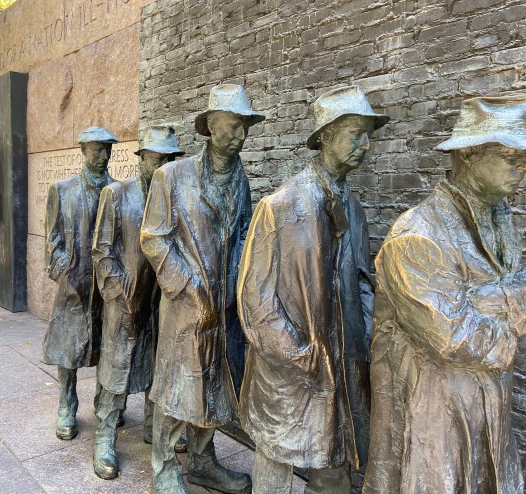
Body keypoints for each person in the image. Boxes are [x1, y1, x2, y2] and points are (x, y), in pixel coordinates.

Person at [363, 94, 526, 494]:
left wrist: (481, 300)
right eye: (511, 155)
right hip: (434, 414)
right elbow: (453, 337)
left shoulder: (500, 220)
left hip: (487, 404)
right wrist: (505, 309)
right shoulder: (417, 235)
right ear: (467, 154)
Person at [238, 86, 388, 494]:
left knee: (333, 456)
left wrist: (365, 338)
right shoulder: (281, 206)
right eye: (356, 134)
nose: (365, 145)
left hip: (342, 363)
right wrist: (297, 354)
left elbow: (363, 281)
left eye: (368, 136)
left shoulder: (353, 208)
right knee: (277, 454)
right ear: (326, 135)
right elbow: (255, 298)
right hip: (290, 363)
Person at [141, 84, 264, 494]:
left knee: (213, 385)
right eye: (233, 125)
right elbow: (154, 238)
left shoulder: (240, 179)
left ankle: (202, 461)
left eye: (245, 127)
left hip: (225, 304)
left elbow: (242, 233)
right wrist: (188, 285)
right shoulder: (171, 176)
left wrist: (242, 282)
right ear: (211, 126)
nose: (241, 135)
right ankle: (164, 466)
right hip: (186, 304)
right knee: (177, 387)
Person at [91, 125, 185, 480]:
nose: (163, 165)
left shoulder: (175, 197)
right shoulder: (116, 194)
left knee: (158, 365)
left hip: (162, 299)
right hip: (125, 299)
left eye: (169, 159)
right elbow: (101, 251)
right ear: (142, 158)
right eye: (158, 158)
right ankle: (105, 435)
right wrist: (118, 292)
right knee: (116, 369)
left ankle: (151, 425)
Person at [42, 126, 117, 441]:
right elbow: (52, 239)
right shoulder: (62, 189)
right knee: (67, 348)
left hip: (109, 286)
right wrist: (64, 271)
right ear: (83, 151)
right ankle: (66, 404)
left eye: (107, 149)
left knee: (108, 347)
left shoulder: (118, 190)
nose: (103, 155)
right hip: (74, 284)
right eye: (97, 149)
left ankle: (104, 405)